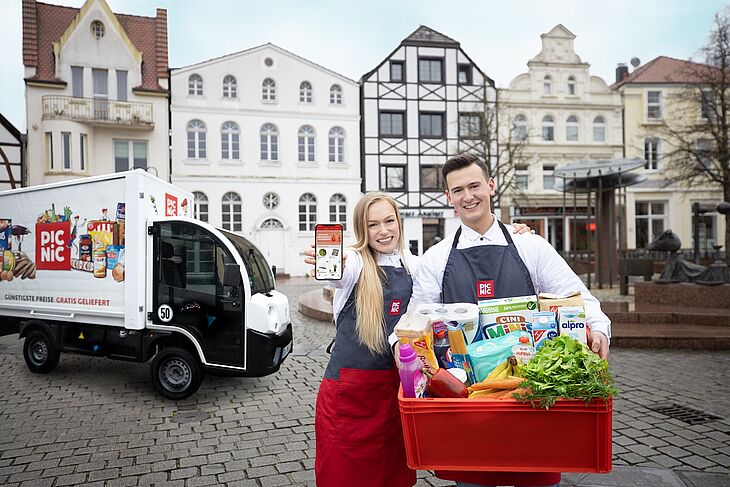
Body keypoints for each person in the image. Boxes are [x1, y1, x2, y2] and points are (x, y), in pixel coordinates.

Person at [305, 192, 532, 487]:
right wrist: (328, 264)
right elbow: (339, 274)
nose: (383, 231)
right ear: (362, 229)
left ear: (400, 222)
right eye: (373, 225)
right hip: (351, 394)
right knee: (345, 476)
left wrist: (514, 233)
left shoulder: (416, 264)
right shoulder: (357, 263)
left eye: (389, 221)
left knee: (394, 477)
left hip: (400, 391)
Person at [411, 153, 611, 487]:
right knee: (475, 480)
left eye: (475, 185)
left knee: (535, 476)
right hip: (469, 397)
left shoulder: (530, 246)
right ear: (448, 197)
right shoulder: (435, 258)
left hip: (533, 393)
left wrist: (599, 328)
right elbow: (417, 319)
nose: (468, 196)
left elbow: (575, 296)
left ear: (490, 186)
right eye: (458, 190)